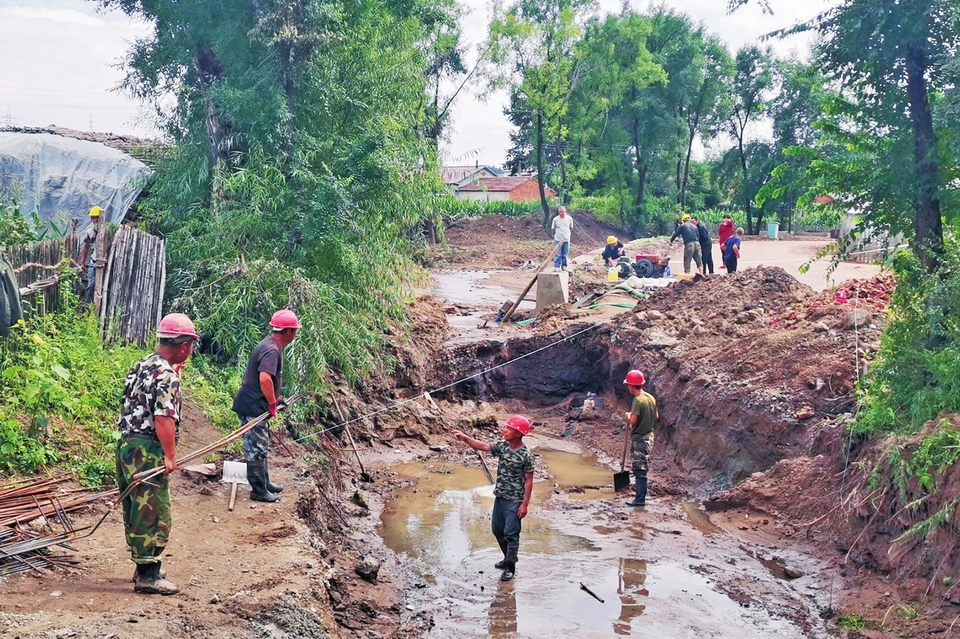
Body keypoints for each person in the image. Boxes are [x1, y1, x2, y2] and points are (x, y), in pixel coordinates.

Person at [116, 312, 199, 595]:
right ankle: (147, 576)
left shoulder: (144, 364)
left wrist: (176, 375)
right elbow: (164, 418)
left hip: (128, 446)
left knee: (137, 509)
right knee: (153, 511)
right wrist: (170, 456)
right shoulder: (166, 375)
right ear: (185, 345)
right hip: (148, 448)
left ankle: (146, 567)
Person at [452, 415, 534, 581]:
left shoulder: (526, 455)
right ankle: (507, 558)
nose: (504, 431)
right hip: (500, 497)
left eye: (508, 429)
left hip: (514, 501)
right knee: (497, 530)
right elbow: (483, 446)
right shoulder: (504, 446)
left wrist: (524, 504)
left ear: (518, 434)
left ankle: (511, 567)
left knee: (511, 534)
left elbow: (529, 481)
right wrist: (466, 438)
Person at [231, 309, 301, 502]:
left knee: (262, 444)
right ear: (287, 331)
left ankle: (265, 483)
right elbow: (264, 380)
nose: (295, 333)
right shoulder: (271, 350)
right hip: (253, 405)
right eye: (294, 330)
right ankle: (258, 490)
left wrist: (274, 400)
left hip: (256, 403)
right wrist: (271, 402)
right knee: (255, 447)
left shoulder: (271, 346)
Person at [622, 370, 657, 507]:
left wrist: (628, 416)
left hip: (640, 440)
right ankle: (640, 497)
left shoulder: (637, 401)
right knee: (641, 466)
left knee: (640, 470)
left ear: (631, 386)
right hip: (649, 437)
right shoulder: (650, 397)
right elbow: (656, 416)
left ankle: (640, 500)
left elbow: (633, 420)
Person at [78, 206, 105, 305]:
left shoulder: (109, 230)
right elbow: (85, 247)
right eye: (93, 218)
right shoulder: (90, 232)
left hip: (105, 262)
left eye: (97, 217)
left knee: (104, 286)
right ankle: (88, 307)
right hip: (93, 262)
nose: (96, 220)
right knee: (91, 285)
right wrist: (83, 263)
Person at [550, 206, 574, 271]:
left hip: (566, 239)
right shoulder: (555, 219)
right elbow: (553, 228)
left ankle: (564, 266)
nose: (561, 213)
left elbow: (571, 228)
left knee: (565, 253)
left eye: (562, 212)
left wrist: (567, 234)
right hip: (558, 239)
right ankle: (556, 266)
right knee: (557, 253)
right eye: (560, 212)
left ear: (565, 212)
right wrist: (556, 235)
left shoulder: (569, 219)